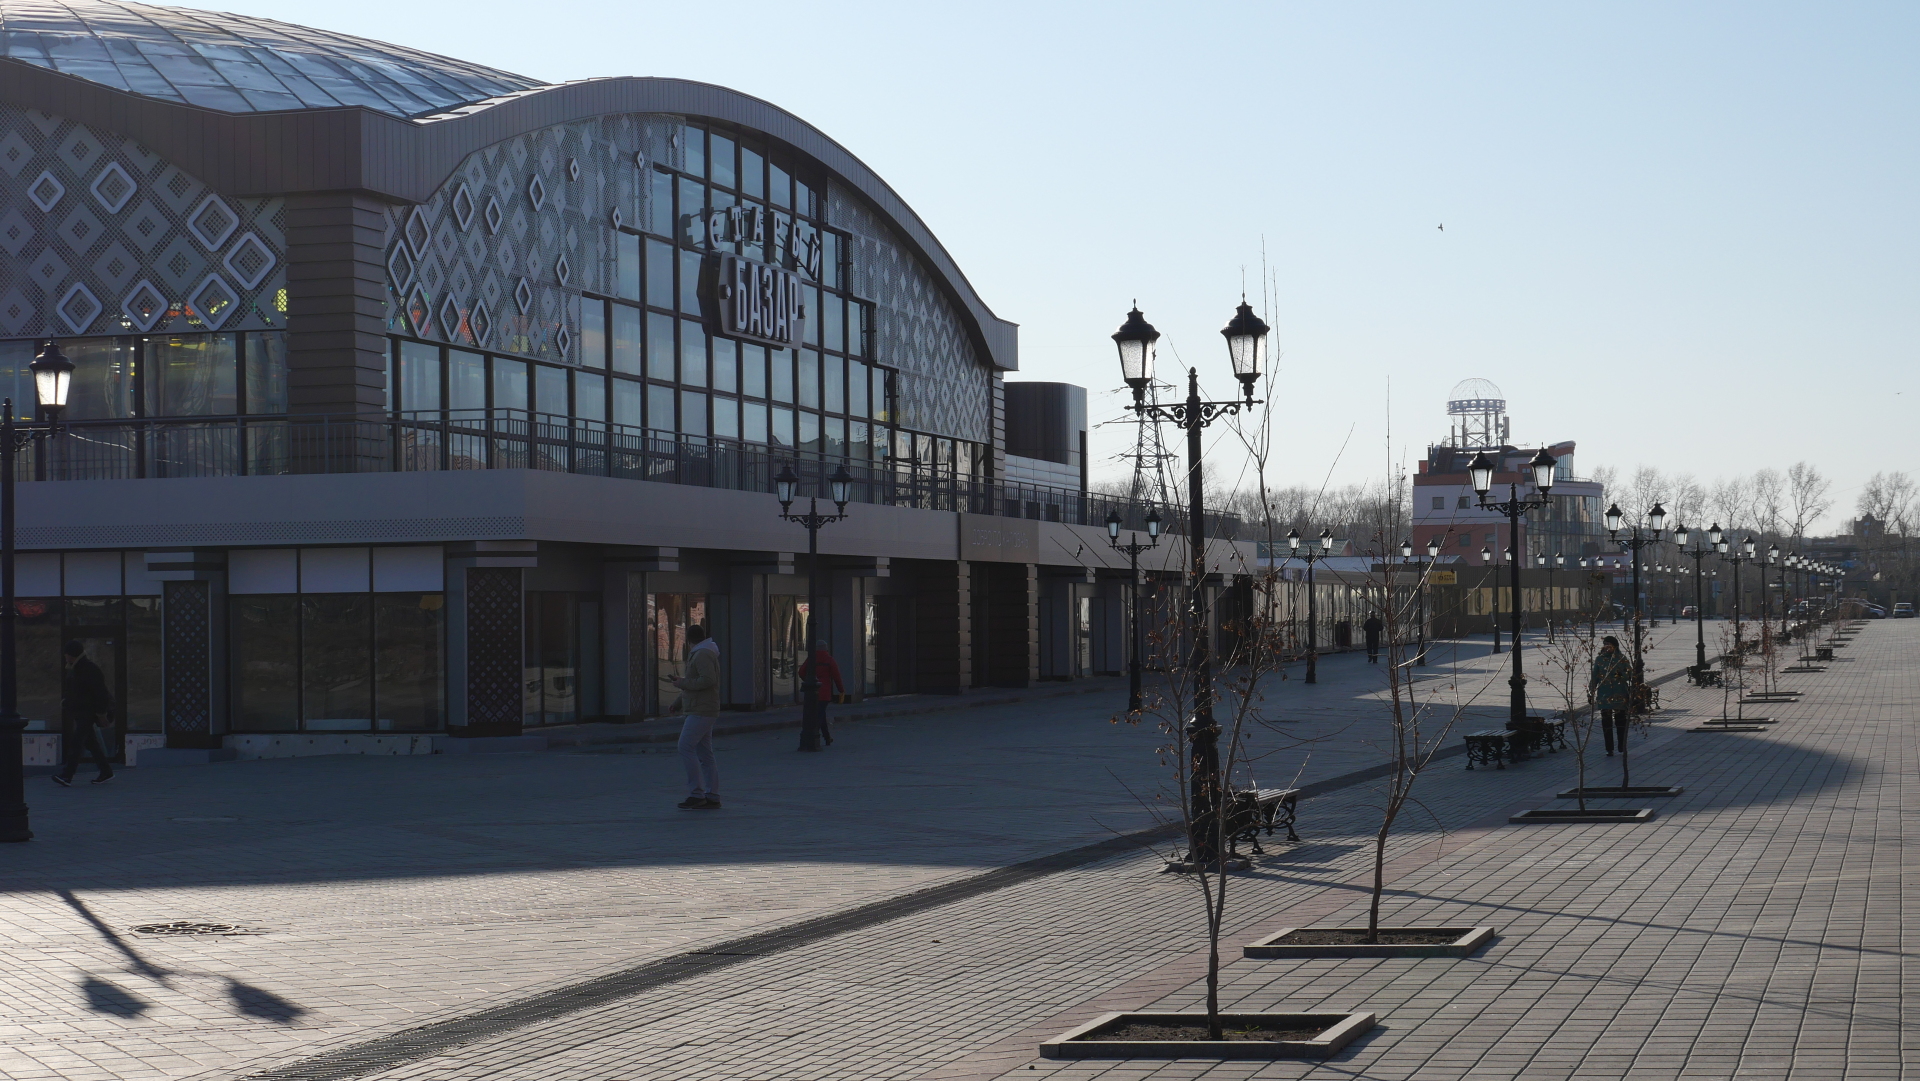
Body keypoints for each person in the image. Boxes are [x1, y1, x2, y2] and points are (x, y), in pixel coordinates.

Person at [672, 625, 721, 810]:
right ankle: (712, 795)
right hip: (703, 708)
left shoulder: (702, 654)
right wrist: (678, 702)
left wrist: (683, 683)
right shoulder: (704, 652)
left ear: (688, 639)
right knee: (705, 753)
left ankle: (697, 794)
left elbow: (707, 680)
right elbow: (696, 681)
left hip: (701, 709)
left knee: (685, 747)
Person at [55, 640, 113, 787]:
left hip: (88, 712)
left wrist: (101, 713)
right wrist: (66, 702)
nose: (65, 657)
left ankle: (67, 775)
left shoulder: (87, 669)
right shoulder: (76, 669)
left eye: (66, 654)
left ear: (71, 655)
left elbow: (100, 693)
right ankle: (106, 771)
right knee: (91, 743)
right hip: (81, 711)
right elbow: (75, 691)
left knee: (77, 742)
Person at [1589, 635, 1633, 757]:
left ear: (1615, 646)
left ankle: (1622, 746)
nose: (1607, 647)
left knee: (1621, 722)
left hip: (1620, 694)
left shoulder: (1621, 659)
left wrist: (1621, 675)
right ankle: (1609, 748)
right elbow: (1595, 676)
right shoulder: (1600, 659)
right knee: (1606, 723)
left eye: (1609, 644)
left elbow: (1629, 675)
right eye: (1605, 644)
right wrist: (1591, 691)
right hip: (1604, 695)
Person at [798, 642, 845, 746]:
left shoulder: (811, 659)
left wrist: (808, 681)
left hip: (812, 693)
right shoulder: (829, 660)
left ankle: (827, 737)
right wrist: (841, 690)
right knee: (820, 714)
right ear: (826, 649)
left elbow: (801, 672)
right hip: (825, 692)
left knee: (820, 713)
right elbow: (836, 676)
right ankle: (814, 736)